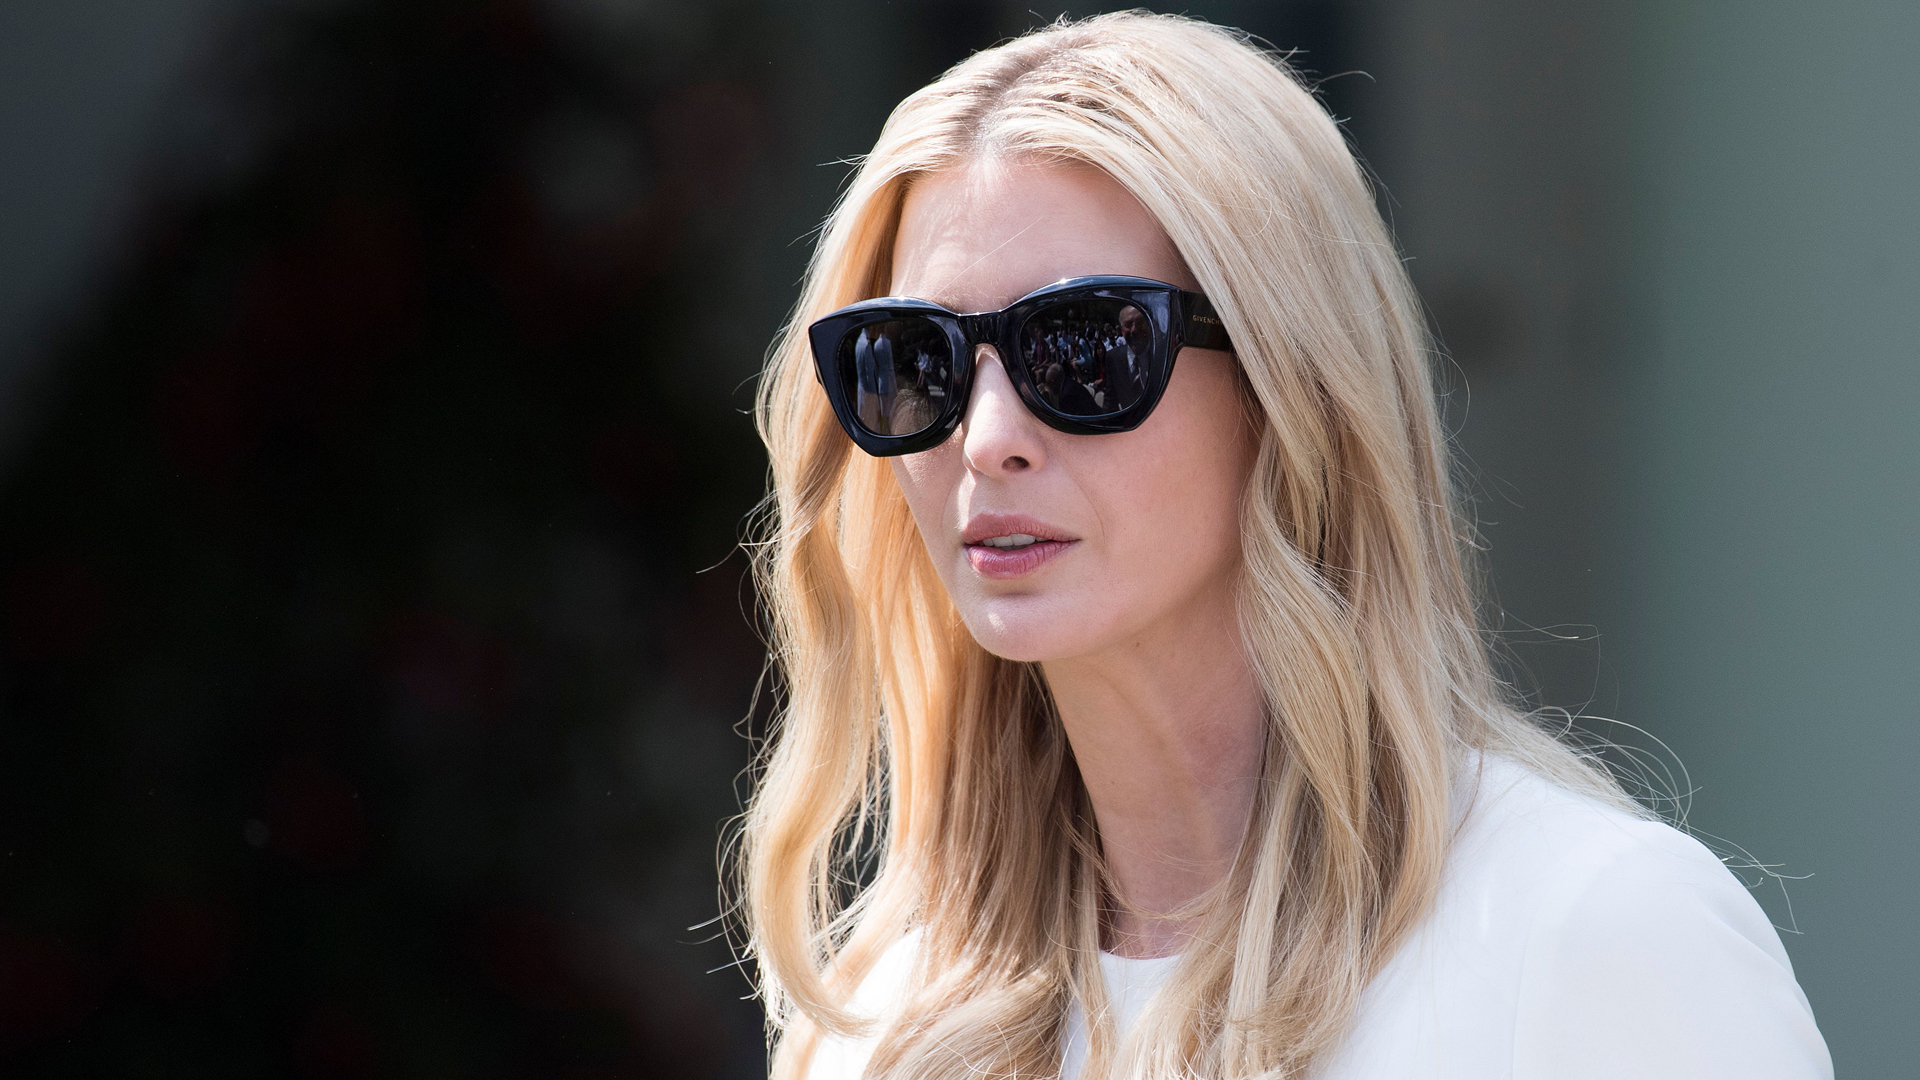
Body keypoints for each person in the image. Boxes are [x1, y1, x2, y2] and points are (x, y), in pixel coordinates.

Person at [742, 12, 1830, 1080]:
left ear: (1288, 386)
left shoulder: (1590, 937)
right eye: (915, 359)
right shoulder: (887, 1018)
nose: (986, 441)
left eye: (1080, 350)